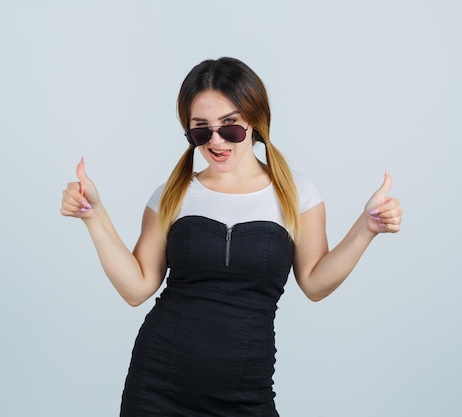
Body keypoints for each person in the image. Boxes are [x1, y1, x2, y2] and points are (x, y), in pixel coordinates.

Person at [60, 57, 403, 417]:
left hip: (245, 394)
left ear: (254, 122)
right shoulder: (172, 194)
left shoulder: (297, 193)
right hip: (158, 387)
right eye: (201, 130)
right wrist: (93, 216)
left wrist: (367, 227)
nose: (216, 141)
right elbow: (136, 288)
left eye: (230, 127)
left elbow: (316, 283)